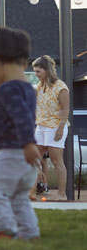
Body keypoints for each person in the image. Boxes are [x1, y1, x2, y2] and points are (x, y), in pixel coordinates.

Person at [0, 27, 41, 240]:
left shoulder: (7, 89)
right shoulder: (29, 90)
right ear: (24, 63)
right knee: (18, 197)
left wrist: (28, 143)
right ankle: (29, 233)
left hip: (14, 153)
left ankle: (5, 229)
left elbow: (21, 117)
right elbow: (9, 122)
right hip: (22, 156)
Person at [31, 55, 71, 200]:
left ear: (47, 70)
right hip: (41, 126)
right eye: (35, 71)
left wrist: (61, 128)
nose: (36, 75)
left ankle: (62, 194)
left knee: (56, 160)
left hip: (55, 126)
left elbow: (66, 109)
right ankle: (31, 191)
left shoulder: (60, 87)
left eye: (38, 72)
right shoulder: (41, 86)